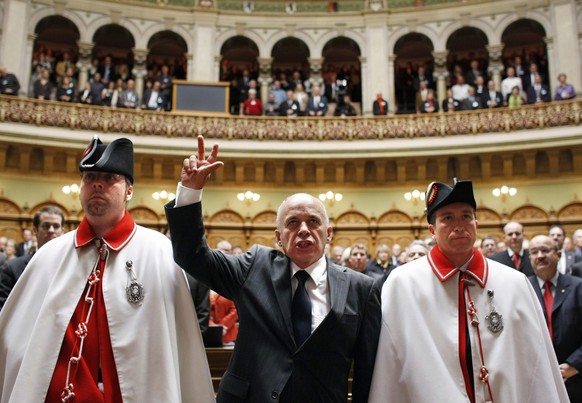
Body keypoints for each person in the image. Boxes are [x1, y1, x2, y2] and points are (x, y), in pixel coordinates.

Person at [165, 135, 381, 402]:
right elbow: (192, 256)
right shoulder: (254, 267)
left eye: (313, 221)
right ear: (279, 238)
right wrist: (189, 192)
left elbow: (367, 368)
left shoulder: (361, 288)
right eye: (292, 223)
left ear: (329, 233)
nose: (303, 230)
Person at [0, 136, 214, 402]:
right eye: (89, 177)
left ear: (129, 191)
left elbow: (177, 350)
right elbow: (13, 344)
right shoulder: (49, 257)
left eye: (109, 177)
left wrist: (189, 195)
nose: (97, 184)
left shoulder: (159, 253)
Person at [369, 179, 569, 402]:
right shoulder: (403, 283)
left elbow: (539, 362)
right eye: (447, 218)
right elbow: (389, 365)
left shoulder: (515, 283)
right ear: (432, 230)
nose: (459, 225)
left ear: (476, 223)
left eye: (466, 216)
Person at [528, 235, 582, 402]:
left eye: (545, 250)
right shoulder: (522, 289)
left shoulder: (578, 286)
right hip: (534, 380)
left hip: (575, 379)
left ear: (559, 255)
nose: (540, 255)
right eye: (534, 252)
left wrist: (574, 365)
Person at [0, 206, 64, 310]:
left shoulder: (73, 266)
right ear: (35, 230)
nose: (51, 230)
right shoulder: (12, 268)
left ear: (62, 231)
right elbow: (4, 311)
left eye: (56, 226)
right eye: (46, 226)